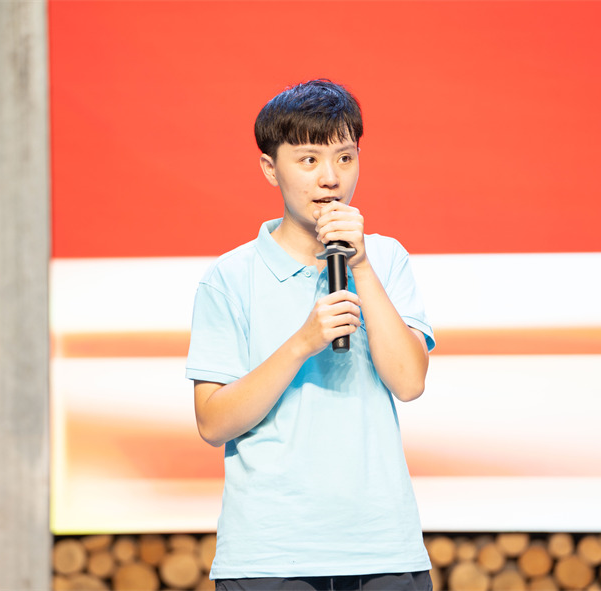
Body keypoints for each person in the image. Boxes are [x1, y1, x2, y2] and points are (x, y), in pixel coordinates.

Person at [186, 79, 435, 591]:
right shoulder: (230, 277)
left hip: (382, 546)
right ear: (269, 168)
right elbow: (213, 422)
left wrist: (360, 265)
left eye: (345, 158)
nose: (331, 178)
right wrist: (302, 343)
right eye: (309, 160)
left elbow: (410, 382)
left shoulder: (385, 259)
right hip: (271, 554)